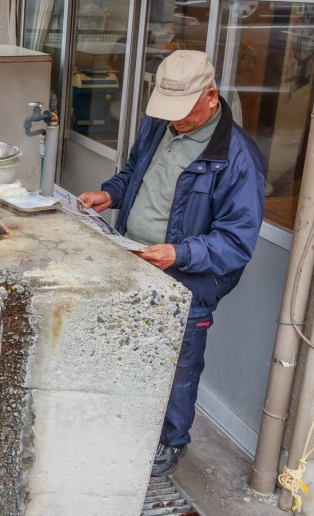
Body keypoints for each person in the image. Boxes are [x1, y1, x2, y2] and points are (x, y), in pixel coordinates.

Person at [79, 50, 265, 478]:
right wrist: (110, 194)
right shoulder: (158, 125)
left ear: (211, 97)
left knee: (179, 366)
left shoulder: (238, 158)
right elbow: (135, 174)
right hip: (135, 258)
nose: (174, 119)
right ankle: (126, 421)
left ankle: (170, 441)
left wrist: (179, 253)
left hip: (187, 277)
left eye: (182, 111)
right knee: (129, 348)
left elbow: (236, 241)